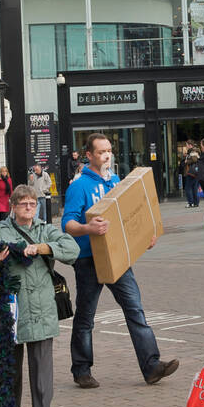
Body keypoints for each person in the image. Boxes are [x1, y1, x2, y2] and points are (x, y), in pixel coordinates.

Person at [63, 133, 179, 388]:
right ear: (89, 156)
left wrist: (143, 236)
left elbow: (127, 218)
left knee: (134, 309)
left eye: (109, 151)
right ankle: (81, 369)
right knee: (86, 316)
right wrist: (88, 228)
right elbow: (67, 224)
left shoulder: (115, 181)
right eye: (102, 152)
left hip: (117, 257)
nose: (107, 155)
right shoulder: (79, 186)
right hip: (88, 260)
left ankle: (151, 367)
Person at [0, 183, 81, 407]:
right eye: (23, 204)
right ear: (13, 207)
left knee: (41, 371)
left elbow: (72, 250)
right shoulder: (0, 231)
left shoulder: (45, 229)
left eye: (32, 203)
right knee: (10, 368)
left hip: (41, 308)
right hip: (11, 310)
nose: (29, 207)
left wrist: (42, 248)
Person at [181, 144, 201, 209]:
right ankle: (195, 202)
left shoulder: (193, 152)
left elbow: (194, 160)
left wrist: (187, 161)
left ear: (190, 145)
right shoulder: (195, 152)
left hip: (191, 173)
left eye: (186, 145)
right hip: (195, 173)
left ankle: (191, 202)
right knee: (194, 188)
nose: (186, 146)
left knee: (188, 188)